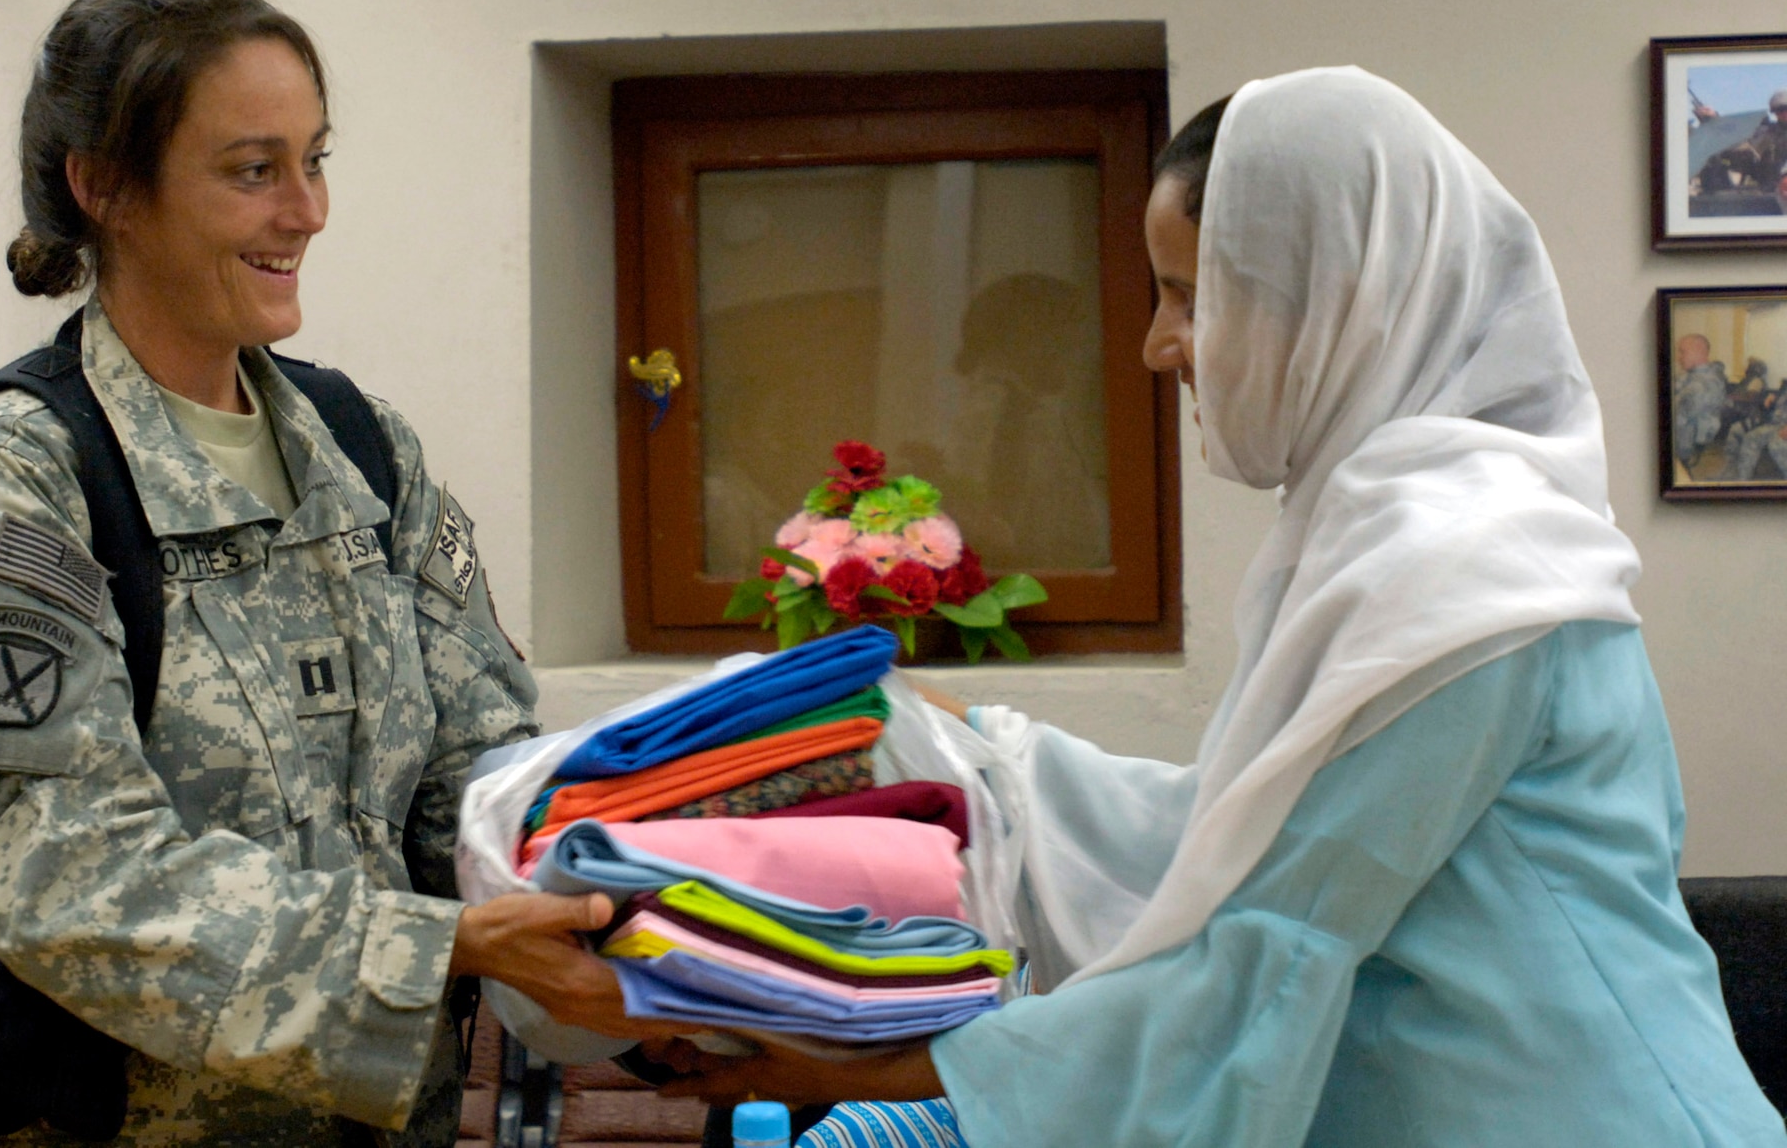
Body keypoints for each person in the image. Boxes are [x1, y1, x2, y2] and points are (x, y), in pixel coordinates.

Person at [663, 69, 1785, 1146]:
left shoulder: (1463, 565)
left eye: (1192, 297)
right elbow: (1231, 836)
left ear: (1337, 297)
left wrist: (876, 1062)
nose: (1159, 346)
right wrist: (986, 757)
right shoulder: (1375, 530)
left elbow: (1273, 937)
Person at [0, 0, 663, 1146]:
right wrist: (432, 950)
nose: (308, 210)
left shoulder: (364, 450)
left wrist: (657, 907)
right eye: (253, 171)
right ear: (105, 189)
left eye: (314, 159)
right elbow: (66, 874)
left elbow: (475, 772)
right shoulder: (8, 484)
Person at [1696, 88, 1787, 195]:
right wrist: (1713, 120)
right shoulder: (1768, 132)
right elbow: (1737, 138)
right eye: (1778, 110)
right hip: (1771, 189)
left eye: (1785, 108)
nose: (1783, 113)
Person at [1672, 332, 1730, 471]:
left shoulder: (1705, 383)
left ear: (1699, 351)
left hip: (1686, 440)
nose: (1678, 357)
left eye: (1682, 352)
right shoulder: (1691, 375)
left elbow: (1679, 415)